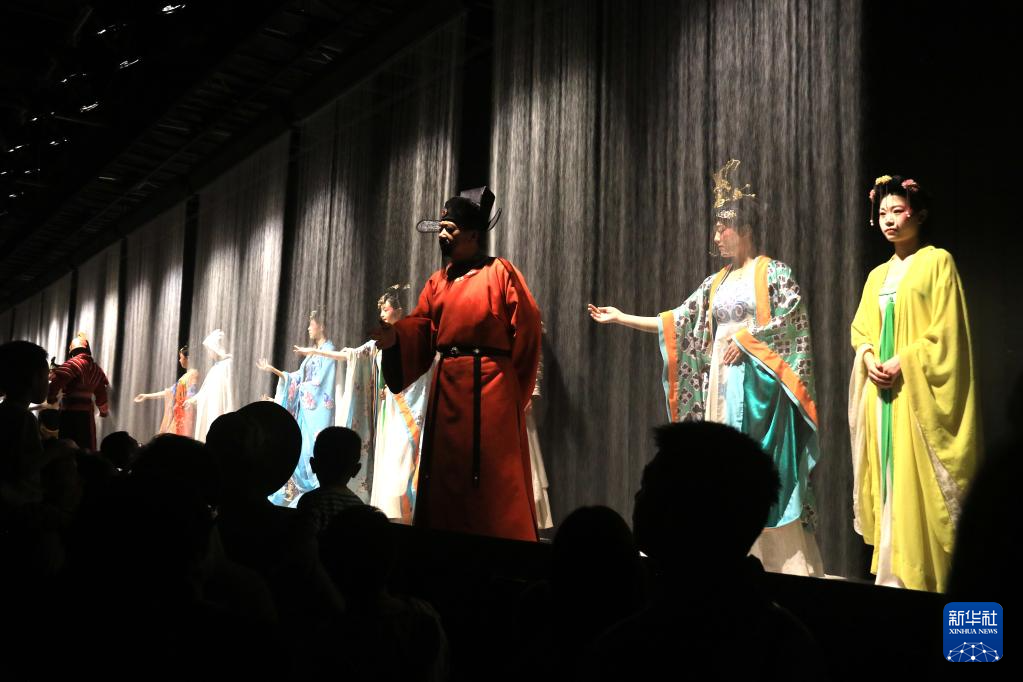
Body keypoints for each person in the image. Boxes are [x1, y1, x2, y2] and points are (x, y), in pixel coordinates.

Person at [589, 160, 823, 575]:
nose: (716, 236)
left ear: (744, 228)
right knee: (720, 467)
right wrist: (622, 317)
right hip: (721, 383)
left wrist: (747, 343)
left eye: (723, 227)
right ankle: (724, 552)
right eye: (716, 228)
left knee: (756, 466)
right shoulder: (716, 283)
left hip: (758, 390)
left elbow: (792, 325)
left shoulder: (774, 273)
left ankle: (777, 564)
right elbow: (678, 321)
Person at [374, 187, 543, 541]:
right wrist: (395, 338)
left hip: (493, 388)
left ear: (472, 235)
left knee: (493, 470)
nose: (443, 235)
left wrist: (516, 390)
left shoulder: (500, 272)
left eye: (450, 228)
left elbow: (527, 328)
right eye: (441, 228)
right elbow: (422, 325)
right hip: (448, 386)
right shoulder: (438, 281)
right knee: (445, 467)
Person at [849, 174, 979, 592]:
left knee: (914, 477)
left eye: (898, 211)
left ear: (918, 215)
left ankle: (922, 578)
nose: (889, 220)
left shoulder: (937, 262)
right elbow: (862, 329)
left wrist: (904, 359)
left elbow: (947, 330)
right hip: (882, 392)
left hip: (915, 391)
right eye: (883, 213)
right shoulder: (877, 276)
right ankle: (892, 576)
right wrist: (869, 357)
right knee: (890, 476)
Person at [295, 288, 431, 518]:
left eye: (386, 309)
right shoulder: (378, 342)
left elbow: (422, 368)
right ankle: (389, 506)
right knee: (388, 454)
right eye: (380, 310)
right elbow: (351, 355)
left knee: (402, 453)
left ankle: (408, 506)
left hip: (402, 405)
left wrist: (395, 390)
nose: (382, 314)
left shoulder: (410, 340)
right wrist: (314, 352)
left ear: (399, 311)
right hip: (386, 408)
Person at [258, 310, 337, 507]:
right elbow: (297, 378)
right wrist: (273, 370)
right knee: (300, 450)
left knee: (311, 450)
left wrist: (303, 389)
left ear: (321, 326)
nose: (308, 328)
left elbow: (322, 383)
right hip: (304, 411)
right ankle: (300, 493)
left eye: (311, 324)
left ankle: (315, 491)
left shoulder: (329, 350)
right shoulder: (312, 354)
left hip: (316, 412)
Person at [295, 426, 365, 536]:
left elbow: (304, 540)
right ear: (356, 470)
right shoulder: (359, 506)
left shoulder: (312, 501)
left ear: (313, 465)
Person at [46, 332, 109, 451]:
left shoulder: (71, 364)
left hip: (68, 410)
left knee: (66, 443)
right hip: (86, 413)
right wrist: (103, 411)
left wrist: (51, 397)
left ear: (72, 351)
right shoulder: (96, 369)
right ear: (87, 350)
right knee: (87, 444)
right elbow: (101, 393)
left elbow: (57, 381)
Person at [133, 346, 200, 437]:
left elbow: (192, 393)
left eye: (181, 357)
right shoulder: (185, 376)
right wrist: (146, 396)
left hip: (186, 414)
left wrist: (188, 402)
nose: (179, 360)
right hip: (179, 415)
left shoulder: (194, 374)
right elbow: (169, 392)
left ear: (188, 358)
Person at [187, 329, 236, 443]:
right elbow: (206, 390)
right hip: (212, 407)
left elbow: (228, 391)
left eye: (209, 349)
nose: (209, 353)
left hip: (219, 408)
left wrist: (229, 412)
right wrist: (193, 400)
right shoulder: (217, 367)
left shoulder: (227, 365)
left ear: (216, 348)